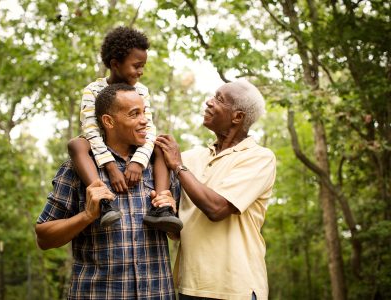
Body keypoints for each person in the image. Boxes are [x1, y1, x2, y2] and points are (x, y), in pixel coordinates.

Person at [36, 83, 179, 299]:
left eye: (144, 112)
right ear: (109, 121)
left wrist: (173, 213)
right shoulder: (78, 169)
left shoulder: (160, 167)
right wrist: (87, 216)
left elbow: (178, 235)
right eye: (134, 114)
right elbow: (44, 238)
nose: (144, 120)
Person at [155, 79, 276, 300]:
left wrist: (178, 166)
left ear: (237, 117)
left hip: (235, 288)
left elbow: (216, 208)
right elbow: (177, 229)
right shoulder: (193, 158)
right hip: (189, 286)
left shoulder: (259, 157)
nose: (209, 102)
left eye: (218, 99)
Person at [67, 26, 182, 232]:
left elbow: (148, 129)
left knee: (161, 143)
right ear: (115, 64)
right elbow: (91, 130)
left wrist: (138, 162)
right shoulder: (92, 90)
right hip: (102, 147)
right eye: (136, 66)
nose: (141, 71)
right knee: (77, 144)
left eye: (143, 66)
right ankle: (103, 202)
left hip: (134, 146)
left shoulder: (141, 90)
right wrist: (110, 167)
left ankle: (161, 207)